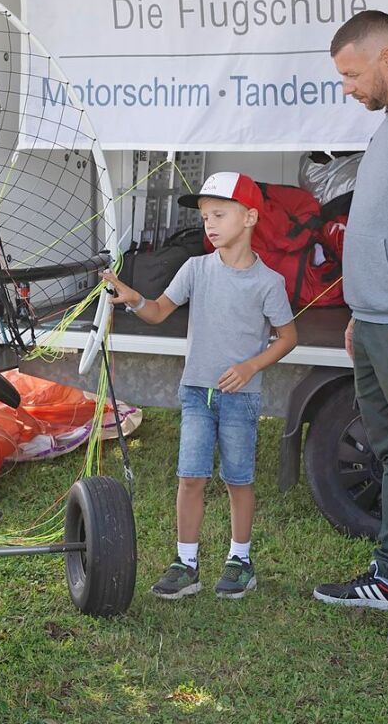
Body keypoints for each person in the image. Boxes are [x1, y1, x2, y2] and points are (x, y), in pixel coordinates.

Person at [103, 172, 297, 599]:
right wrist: (131, 297)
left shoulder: (268, 283)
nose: (209, 224)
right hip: (196, 393)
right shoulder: (195, 269)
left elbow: (288, 337)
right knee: (190, 477)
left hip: (240, 398)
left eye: (219, 214)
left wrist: (250, 367)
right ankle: (185, 563)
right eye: (206, 216)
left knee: (238, 479)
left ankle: (240, 560)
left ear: (249, 217)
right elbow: (156, 311)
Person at [313, 9, 388, 649]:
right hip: (376, 325)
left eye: (351, 75)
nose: (347, 89)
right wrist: (360, 311)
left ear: (387, 59)